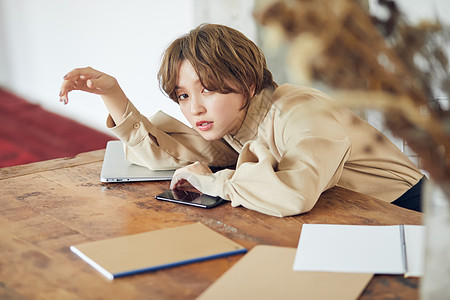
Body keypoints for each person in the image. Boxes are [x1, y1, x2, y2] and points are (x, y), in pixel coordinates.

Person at [59, 23, 425, 217]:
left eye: (209, 89)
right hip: (345, 215)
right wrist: (113, 95)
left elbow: (294, 193)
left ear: (247, 83)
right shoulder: (238, 121)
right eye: (184, 95)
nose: (194, 109)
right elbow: (181, 156)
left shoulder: (298, 112)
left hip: (407, 215)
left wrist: (218, 184)